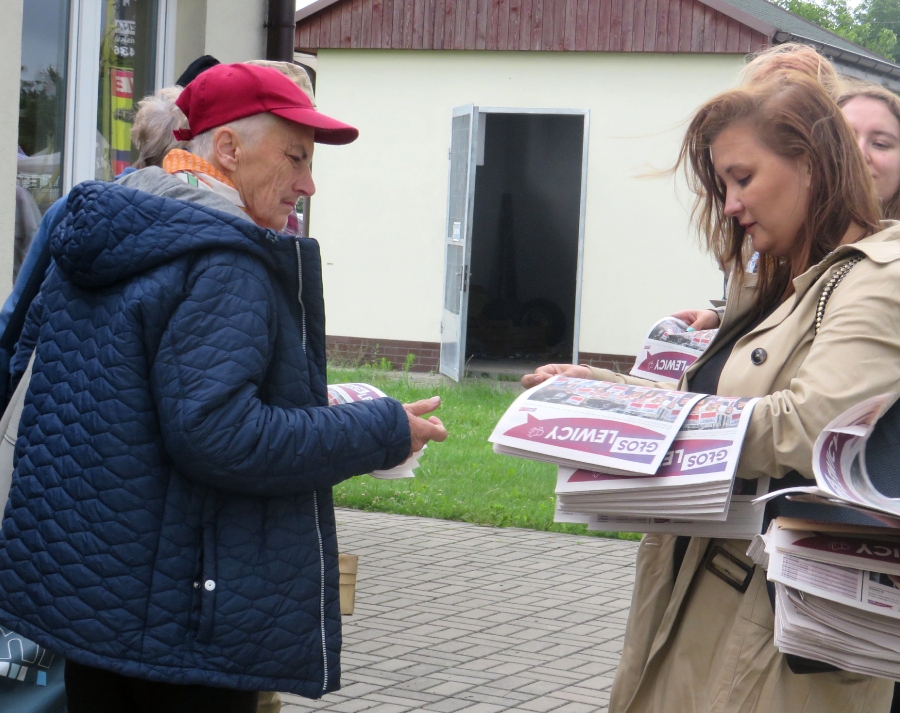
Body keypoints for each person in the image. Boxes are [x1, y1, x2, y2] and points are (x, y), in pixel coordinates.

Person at [0, 62, 448, 712]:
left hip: (91, 605)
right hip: (181, 624)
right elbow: (220, 435)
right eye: (295, 157)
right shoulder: (224, 259)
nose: (309, 183)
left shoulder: (113, 224)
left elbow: (123, 401)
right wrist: (381, 429)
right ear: (230, 149)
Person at [524, 71, 900, 711]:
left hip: (772, 629)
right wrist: (602, 392)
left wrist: (642, 417)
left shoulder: (879, 277)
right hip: (694, 592)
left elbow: (810, 426)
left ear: (810, 164)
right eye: (723, 185)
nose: (729, 204)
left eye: (742, 178)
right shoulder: (772, 282)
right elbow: (716, 399)